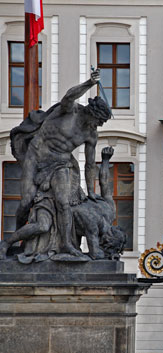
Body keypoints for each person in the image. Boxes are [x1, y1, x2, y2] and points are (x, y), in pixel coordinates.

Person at [0, 69, 111, 261]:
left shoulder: (90, 134)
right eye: (98, 121)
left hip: (61, 162)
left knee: (63, 202)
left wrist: (91, 192)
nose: (98, 126)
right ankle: (16, 241)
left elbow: (90, 165)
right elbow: (68, 95)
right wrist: (89, 83)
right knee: (26, 201)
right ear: (91, 113)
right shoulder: (70, 110)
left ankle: (66, 244)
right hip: (36, 156)